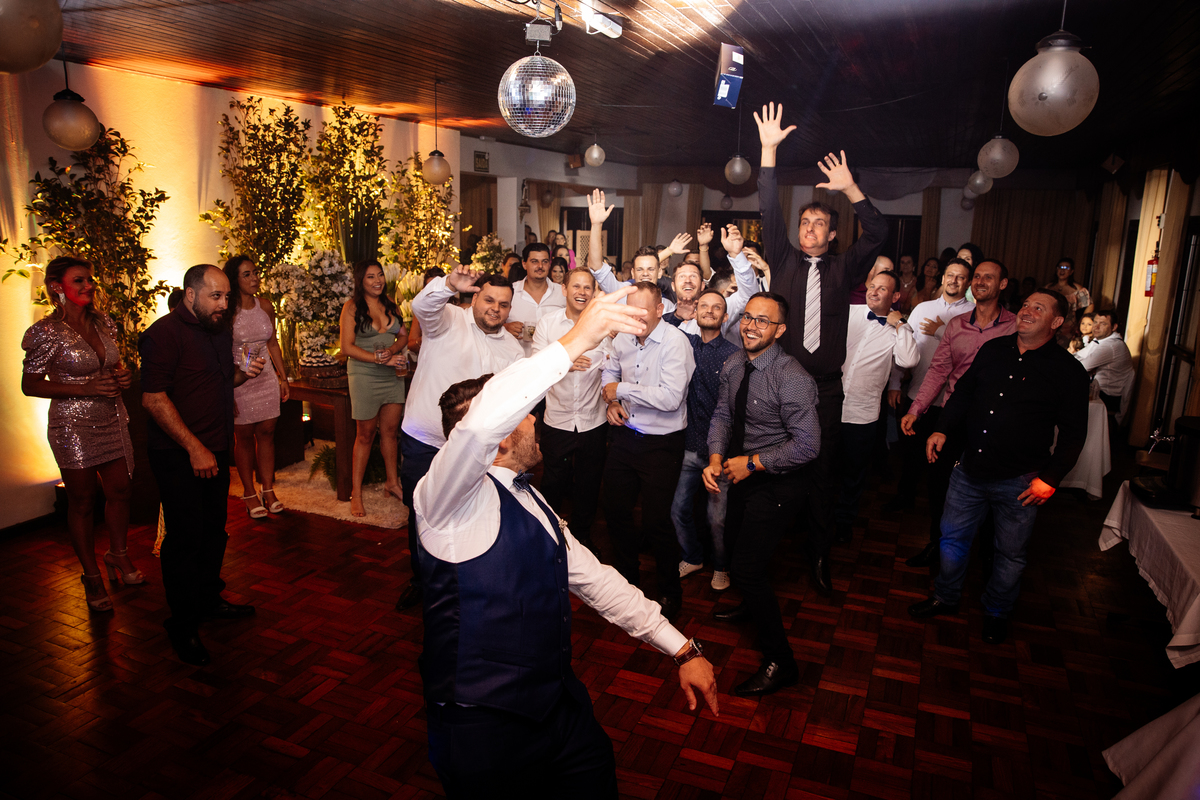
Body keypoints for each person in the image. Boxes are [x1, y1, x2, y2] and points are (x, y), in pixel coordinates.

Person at [414, 284, 718, 795]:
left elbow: (596, 581)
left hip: (557, 706)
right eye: (526, 415)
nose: (536, 420)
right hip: (482, 725)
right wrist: (578, 337)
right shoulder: (442, 501)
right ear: (503, 434)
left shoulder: (531, 498)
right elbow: (480, 424)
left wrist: (682, 649)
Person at [754, 101, 889, 595]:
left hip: (826, 392)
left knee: (822, 475)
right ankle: (762, 563)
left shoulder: (844, 269)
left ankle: (817, 558)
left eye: (818, 224)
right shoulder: (782, 258)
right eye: (804, 222)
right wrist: (768, 151)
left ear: (832, 235)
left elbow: (879, 231)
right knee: (769, 470)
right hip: (775, 387)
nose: (809, 228)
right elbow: (768, 207)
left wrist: (850, 189)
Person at [908, 289, 1089, 645]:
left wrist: (1050, 479)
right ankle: (945, 596)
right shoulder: (993, 350)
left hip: (1020, 479)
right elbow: (962, 394)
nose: (1027, 311)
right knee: (952, 540)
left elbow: (1074, 434)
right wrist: (943, 429)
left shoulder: (1068, 371)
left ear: (1056, 322)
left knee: (1010, 554)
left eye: (1039, 308)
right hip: (970, 468)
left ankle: (996, 612)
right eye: (1025, 305)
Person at [140, 264, 265, 665]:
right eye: (216, 296)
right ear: (190, 295)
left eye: (227, 297)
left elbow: (218, 381)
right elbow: (154, 399)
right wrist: (194, 448)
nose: (224, 304)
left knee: (214, 531)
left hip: (214, 448)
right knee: (184, 539)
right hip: (179, 454)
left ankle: (209, 599)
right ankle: (182, 624)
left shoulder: (217, 329)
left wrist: (243, 375)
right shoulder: (162, 335)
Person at [706, 292, 820, 695]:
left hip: (779, 483)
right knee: (738, 549)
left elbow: (808, 446)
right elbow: (723, 413)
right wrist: (717, 457)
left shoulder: (792, 377)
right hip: (740, 475)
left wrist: (751, 463)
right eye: (748, 318)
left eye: (763, 321)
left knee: (749, 569)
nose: (751, 326)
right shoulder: (734, 363)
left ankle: (781, 662)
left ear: (781, 330)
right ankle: (749, 605)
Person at [397, 267, 525, 609]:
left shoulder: (513, 351)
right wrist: (447, 285)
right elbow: (421, 308)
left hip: (475, 450)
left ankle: (462, 585)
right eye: (488, 300)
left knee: (471, 516)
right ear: (474, 298)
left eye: (503, 303)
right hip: (425, 440)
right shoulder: (448, 319)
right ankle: (422, 582)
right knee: (422, 513)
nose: (494, 308)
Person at [22, 256, 139, 613]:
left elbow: (114, 366)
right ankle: (90, 576)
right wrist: (85, 388)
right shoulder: (45, 331)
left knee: (120, 489)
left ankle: (118, 555)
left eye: (89, 280)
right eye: (79, 281)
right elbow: (30, 385)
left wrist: (124, 377)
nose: (88, 286)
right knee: (83, 501)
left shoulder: (104, 321)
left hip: (112, 417)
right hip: (72, 426)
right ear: (57, 287)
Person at [900, 260, 1016, 568]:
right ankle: (936, 546)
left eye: (988, 277)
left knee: (990, 492)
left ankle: (985, 556)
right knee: (939, 486)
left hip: (993, 424)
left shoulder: (1015, 326)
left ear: (1002, 284)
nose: (980, 281)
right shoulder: (958, 325)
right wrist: (916, 408)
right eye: (976, 276)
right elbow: (939, 370)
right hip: (953, 417)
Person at [601, 282, 696, 621]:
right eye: (632, 311)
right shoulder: (623, 338)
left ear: (660, 309)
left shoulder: (676, 342)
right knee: (614, 508)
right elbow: (609, 372)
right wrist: (612, 401)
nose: (637, 318)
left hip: (662, 442)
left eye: (644, 311)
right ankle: (628, 579)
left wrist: (622, 389)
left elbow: (671, 399)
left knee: (657, 521)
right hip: (626, 436)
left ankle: (671, 591)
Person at [532, 268, 612, 555]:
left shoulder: (605, 327)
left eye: (587, 287)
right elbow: (536, 366)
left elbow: (614, 366)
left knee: (589, 485)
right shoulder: (548, 324)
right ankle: (550, 537)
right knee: (553, 482)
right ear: (563, 289)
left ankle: (582, 538)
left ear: (593, 292)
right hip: (558, 419)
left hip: (594, 420)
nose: (581, 292)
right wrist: (564, 361)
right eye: (575, 286)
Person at [886, 258, 974, 514]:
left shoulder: (972, 315)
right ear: (942, 277)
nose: (954, 280)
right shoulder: (923, 308)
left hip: (950, 403)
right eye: (950, 275)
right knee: (911, 456)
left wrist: (942, 331)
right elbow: (904, 345)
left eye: (960, 277)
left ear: (967, 282)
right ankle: (905, 498)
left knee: (943, 462)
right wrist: (894, 383)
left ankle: (941, 510)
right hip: (917, 395)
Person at [835, 271, 919, 542]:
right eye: (872, 286)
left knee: (853, 472)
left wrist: (901, 324)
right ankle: (818, 518)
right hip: (831, 406)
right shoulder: (850, 312)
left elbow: (908, 360)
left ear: (895, 296)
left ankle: (844, 522)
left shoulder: (899, 329)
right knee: (825, 467)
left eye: (882, 289)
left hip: (862, 414)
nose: (874, 291)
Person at [673, 287, 740, 591]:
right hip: (688, 446)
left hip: (720, 453)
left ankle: (722, 566)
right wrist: (677, 316)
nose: (709, 311)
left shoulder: (734, 357)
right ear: (696, 313)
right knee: (678, 510)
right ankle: (693, 556)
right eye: (704, 306)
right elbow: (654, 329)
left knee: (717, 520)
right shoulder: (683, 343)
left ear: (725, 317)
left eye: (717, 308)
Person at [339, 260, 409, 518]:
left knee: (390, 432)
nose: (378, 280)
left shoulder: (390, 303)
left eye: (380, 275)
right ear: (361, 281)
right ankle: (355, 494)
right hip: (364, 374)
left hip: (392, 374)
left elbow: (403, 334)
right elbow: (346, 348)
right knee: (365, 434)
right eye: (370, 277)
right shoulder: (351, 308)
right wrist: (380, 359)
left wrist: (391, 351)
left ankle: (393, 483)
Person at [224, 255, 290, 519]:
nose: (255, 278)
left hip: (265, 378)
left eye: (256, 273)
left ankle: (269, 489)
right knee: (244, 437)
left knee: (267, 433)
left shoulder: (266, 306)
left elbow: (272, 343)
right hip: (240, 379)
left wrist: (283, 377)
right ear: (235, 279)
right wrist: (230, 382)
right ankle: (249, 492)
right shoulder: (227, 311)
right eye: (247, 274)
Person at [1075, 309, 1135, 423]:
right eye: (1095, 322)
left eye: (1102, 324)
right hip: (1098, 391)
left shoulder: (1111, 346)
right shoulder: (1100, 341)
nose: (1096, 327)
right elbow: (1077, 356)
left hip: (1108, 397)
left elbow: (1081, 367)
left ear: (1114, 327)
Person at [507, 242, 565, 356]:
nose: (540, 266)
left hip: (554, 363)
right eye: (534, 262)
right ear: (524, 264)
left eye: (545, 261)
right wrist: (504, 328)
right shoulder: (510, 292)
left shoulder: (562, 293)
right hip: (518, 363)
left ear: (549, 264)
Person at [1047, 256, 1093, 346]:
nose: (1062, 270)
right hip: (1049, 325)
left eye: (1066, 268)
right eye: (1060, 267)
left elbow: (1090, 305)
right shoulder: (1048, 288)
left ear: (1071, 271)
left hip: (1068, 328)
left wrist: (1082, 322)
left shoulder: (1077, 289)